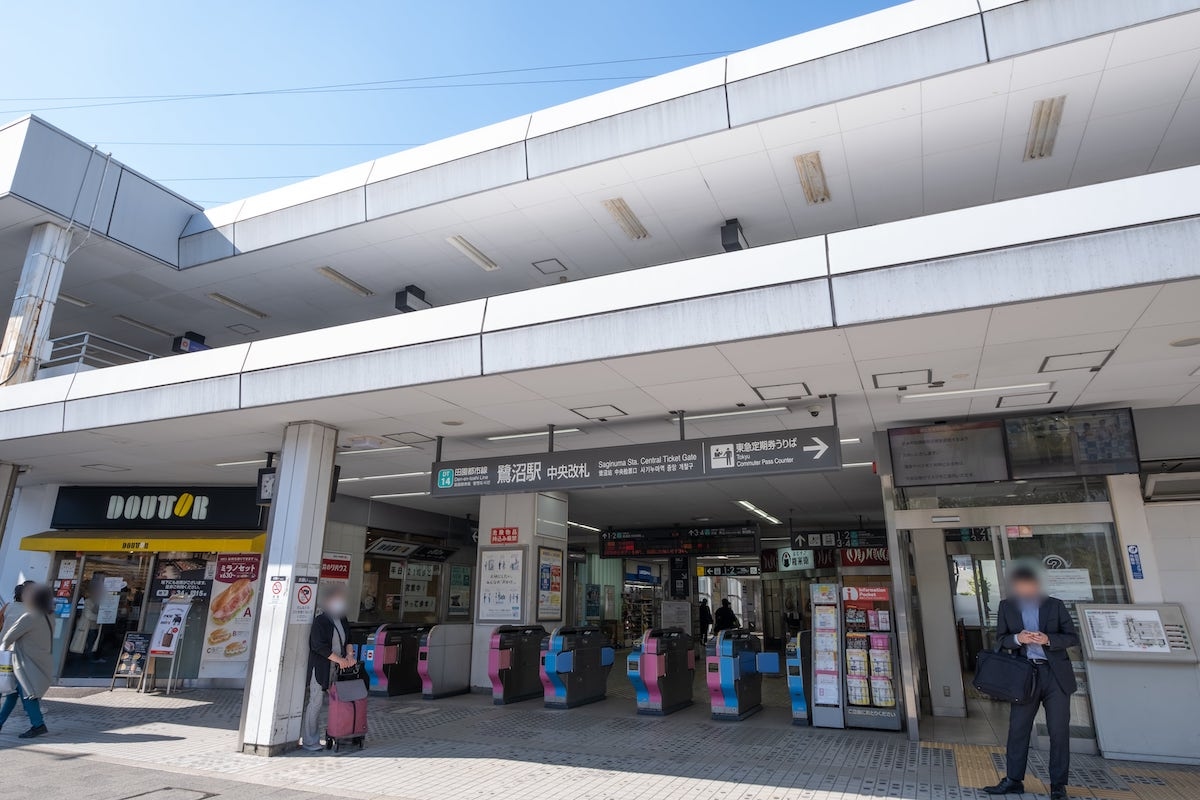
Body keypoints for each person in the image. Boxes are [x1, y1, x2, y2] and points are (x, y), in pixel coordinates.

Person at [985, 565, 1079, 800]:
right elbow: (1001, 640)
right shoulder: (1007, 606)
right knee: (1018, 729)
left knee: (1058, 731)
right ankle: (1013, 780)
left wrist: (1049, 639)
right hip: (1025, 675)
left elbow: (1071, 637)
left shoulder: (1055, 605)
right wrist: (1018, 638)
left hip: (1055, 675)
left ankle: (1058, 784)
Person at [300, 585, 355, 751]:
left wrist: (349, 656)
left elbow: (349, 639)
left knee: (339, 702)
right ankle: (310, 741)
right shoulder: (320, 620)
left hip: (339, 666)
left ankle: (338, 734)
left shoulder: (342, 618)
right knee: (316, 701)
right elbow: (318, 646)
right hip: (322, 666)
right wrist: (339, 660)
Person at [0, 584, 55, 738]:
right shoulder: (49, 615)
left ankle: (38, 725)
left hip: (25, 661)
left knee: (27, 694)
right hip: (41, 659)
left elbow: (8, 637)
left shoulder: (30, 616)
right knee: (14, 694)